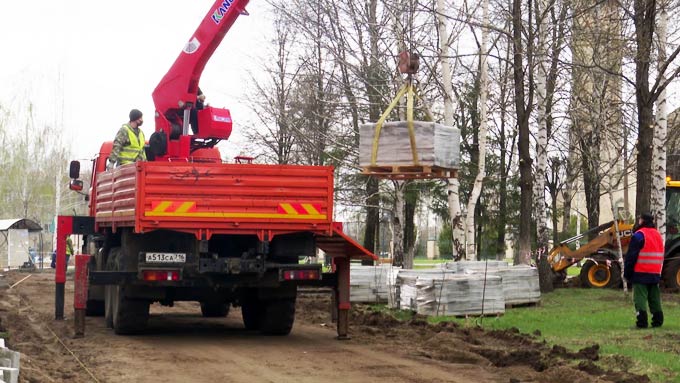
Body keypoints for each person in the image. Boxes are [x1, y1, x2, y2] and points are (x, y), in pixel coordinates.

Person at [624, 212, 665, 328]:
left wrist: (627, 273)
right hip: (655, 272)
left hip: (641, 271)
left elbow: (631, 257)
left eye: (639, 219)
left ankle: (641, 322)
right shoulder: (658, 235)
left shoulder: (639, 235)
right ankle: (658, 321)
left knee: (640, 298)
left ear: (642, 221)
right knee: (654, 298)